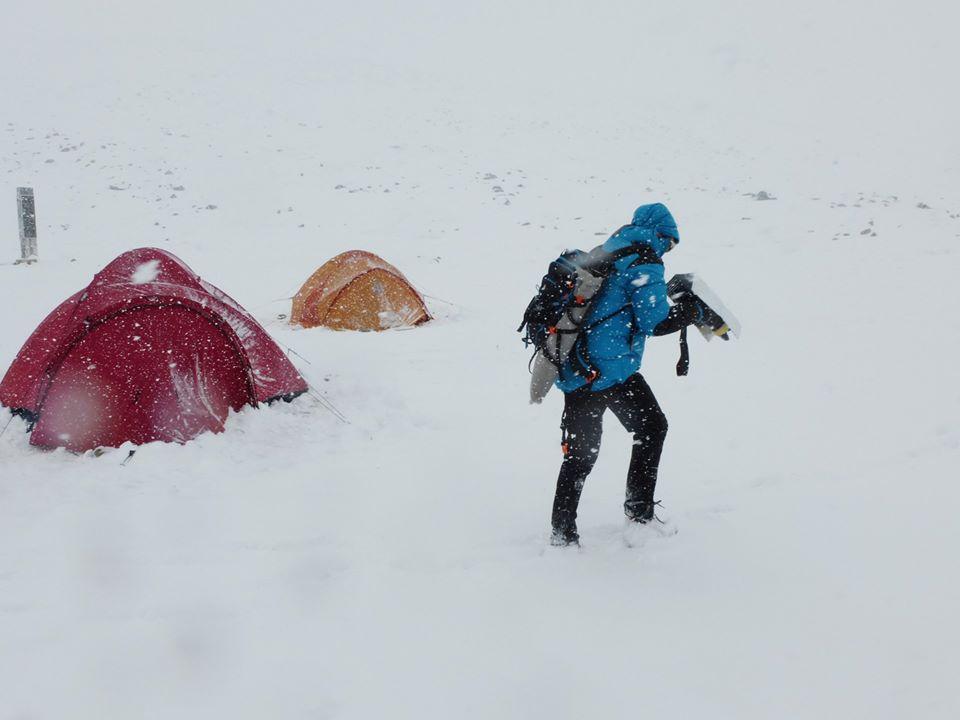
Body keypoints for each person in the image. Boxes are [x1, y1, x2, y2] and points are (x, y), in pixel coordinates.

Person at [550, 202, 701, 546]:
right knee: (652, 427)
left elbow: (618, 303)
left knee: (580, 455)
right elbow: (654, 320)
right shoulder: (645, 258)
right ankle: (639, 513)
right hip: (610, 369)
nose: (669, 249)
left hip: (576, 365)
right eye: (671, 243)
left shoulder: (608, 251)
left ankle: (562, 534)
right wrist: (689, 312)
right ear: (662, 235)